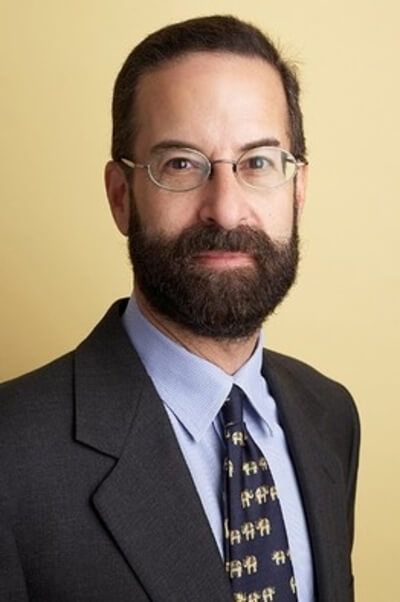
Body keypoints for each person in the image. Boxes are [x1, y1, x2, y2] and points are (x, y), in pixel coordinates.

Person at [0, 15, 360, 602]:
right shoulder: (11, 452)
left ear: (298, 190)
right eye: (182, 164)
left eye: (259, 162)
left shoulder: (330, 416)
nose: (226, 209)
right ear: (122, 197)